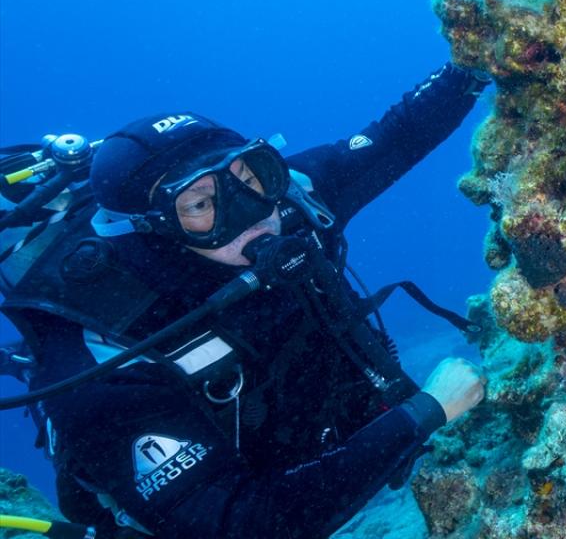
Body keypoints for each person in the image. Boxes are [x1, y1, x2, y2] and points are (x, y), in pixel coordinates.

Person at [2, 62, 490, 538]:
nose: (253, 214)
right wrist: (425, 412)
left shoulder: (285, 199)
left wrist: (472, 67)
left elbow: (395, 137)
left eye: (249, 177)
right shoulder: (101, 359)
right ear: (153, 232)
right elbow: (236, 524)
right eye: (199, 204)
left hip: (326, 438)